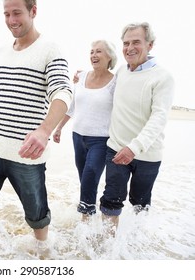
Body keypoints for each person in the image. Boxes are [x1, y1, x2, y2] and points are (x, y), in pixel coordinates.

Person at [0, 0, 73, 259]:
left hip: (27, 154)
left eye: (17, 13)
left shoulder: (50, 49)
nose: (11, 20)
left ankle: (44, 253)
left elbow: (63, 91)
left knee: (36, 212)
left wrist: (44, 130)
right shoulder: (1, 51)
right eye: (6, 14)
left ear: (33, 11)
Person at [99, 22, 175, 234]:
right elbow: (102, 89)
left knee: (140, 204)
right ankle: (107, 249)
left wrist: (134, 148)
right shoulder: (121, 71)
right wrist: (82, 77)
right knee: (111, 199)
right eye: (125, 43)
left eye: (136, 42)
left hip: (147, 155)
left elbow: (159, 118)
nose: (129, 48)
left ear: (150, 45)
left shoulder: (163, 77)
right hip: (115, 148)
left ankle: (136, 245)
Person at [53, 40, 117, 220]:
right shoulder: (81, 77)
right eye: (92, 52)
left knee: (90, 175)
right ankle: (91, 212)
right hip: (78, 136)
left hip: (101, 140)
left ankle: (85, 221)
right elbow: (73, 106)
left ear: (109, 56)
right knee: (85, 179)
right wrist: (59, 127)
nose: (94, 55)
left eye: (99, 52)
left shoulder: (116, 82)